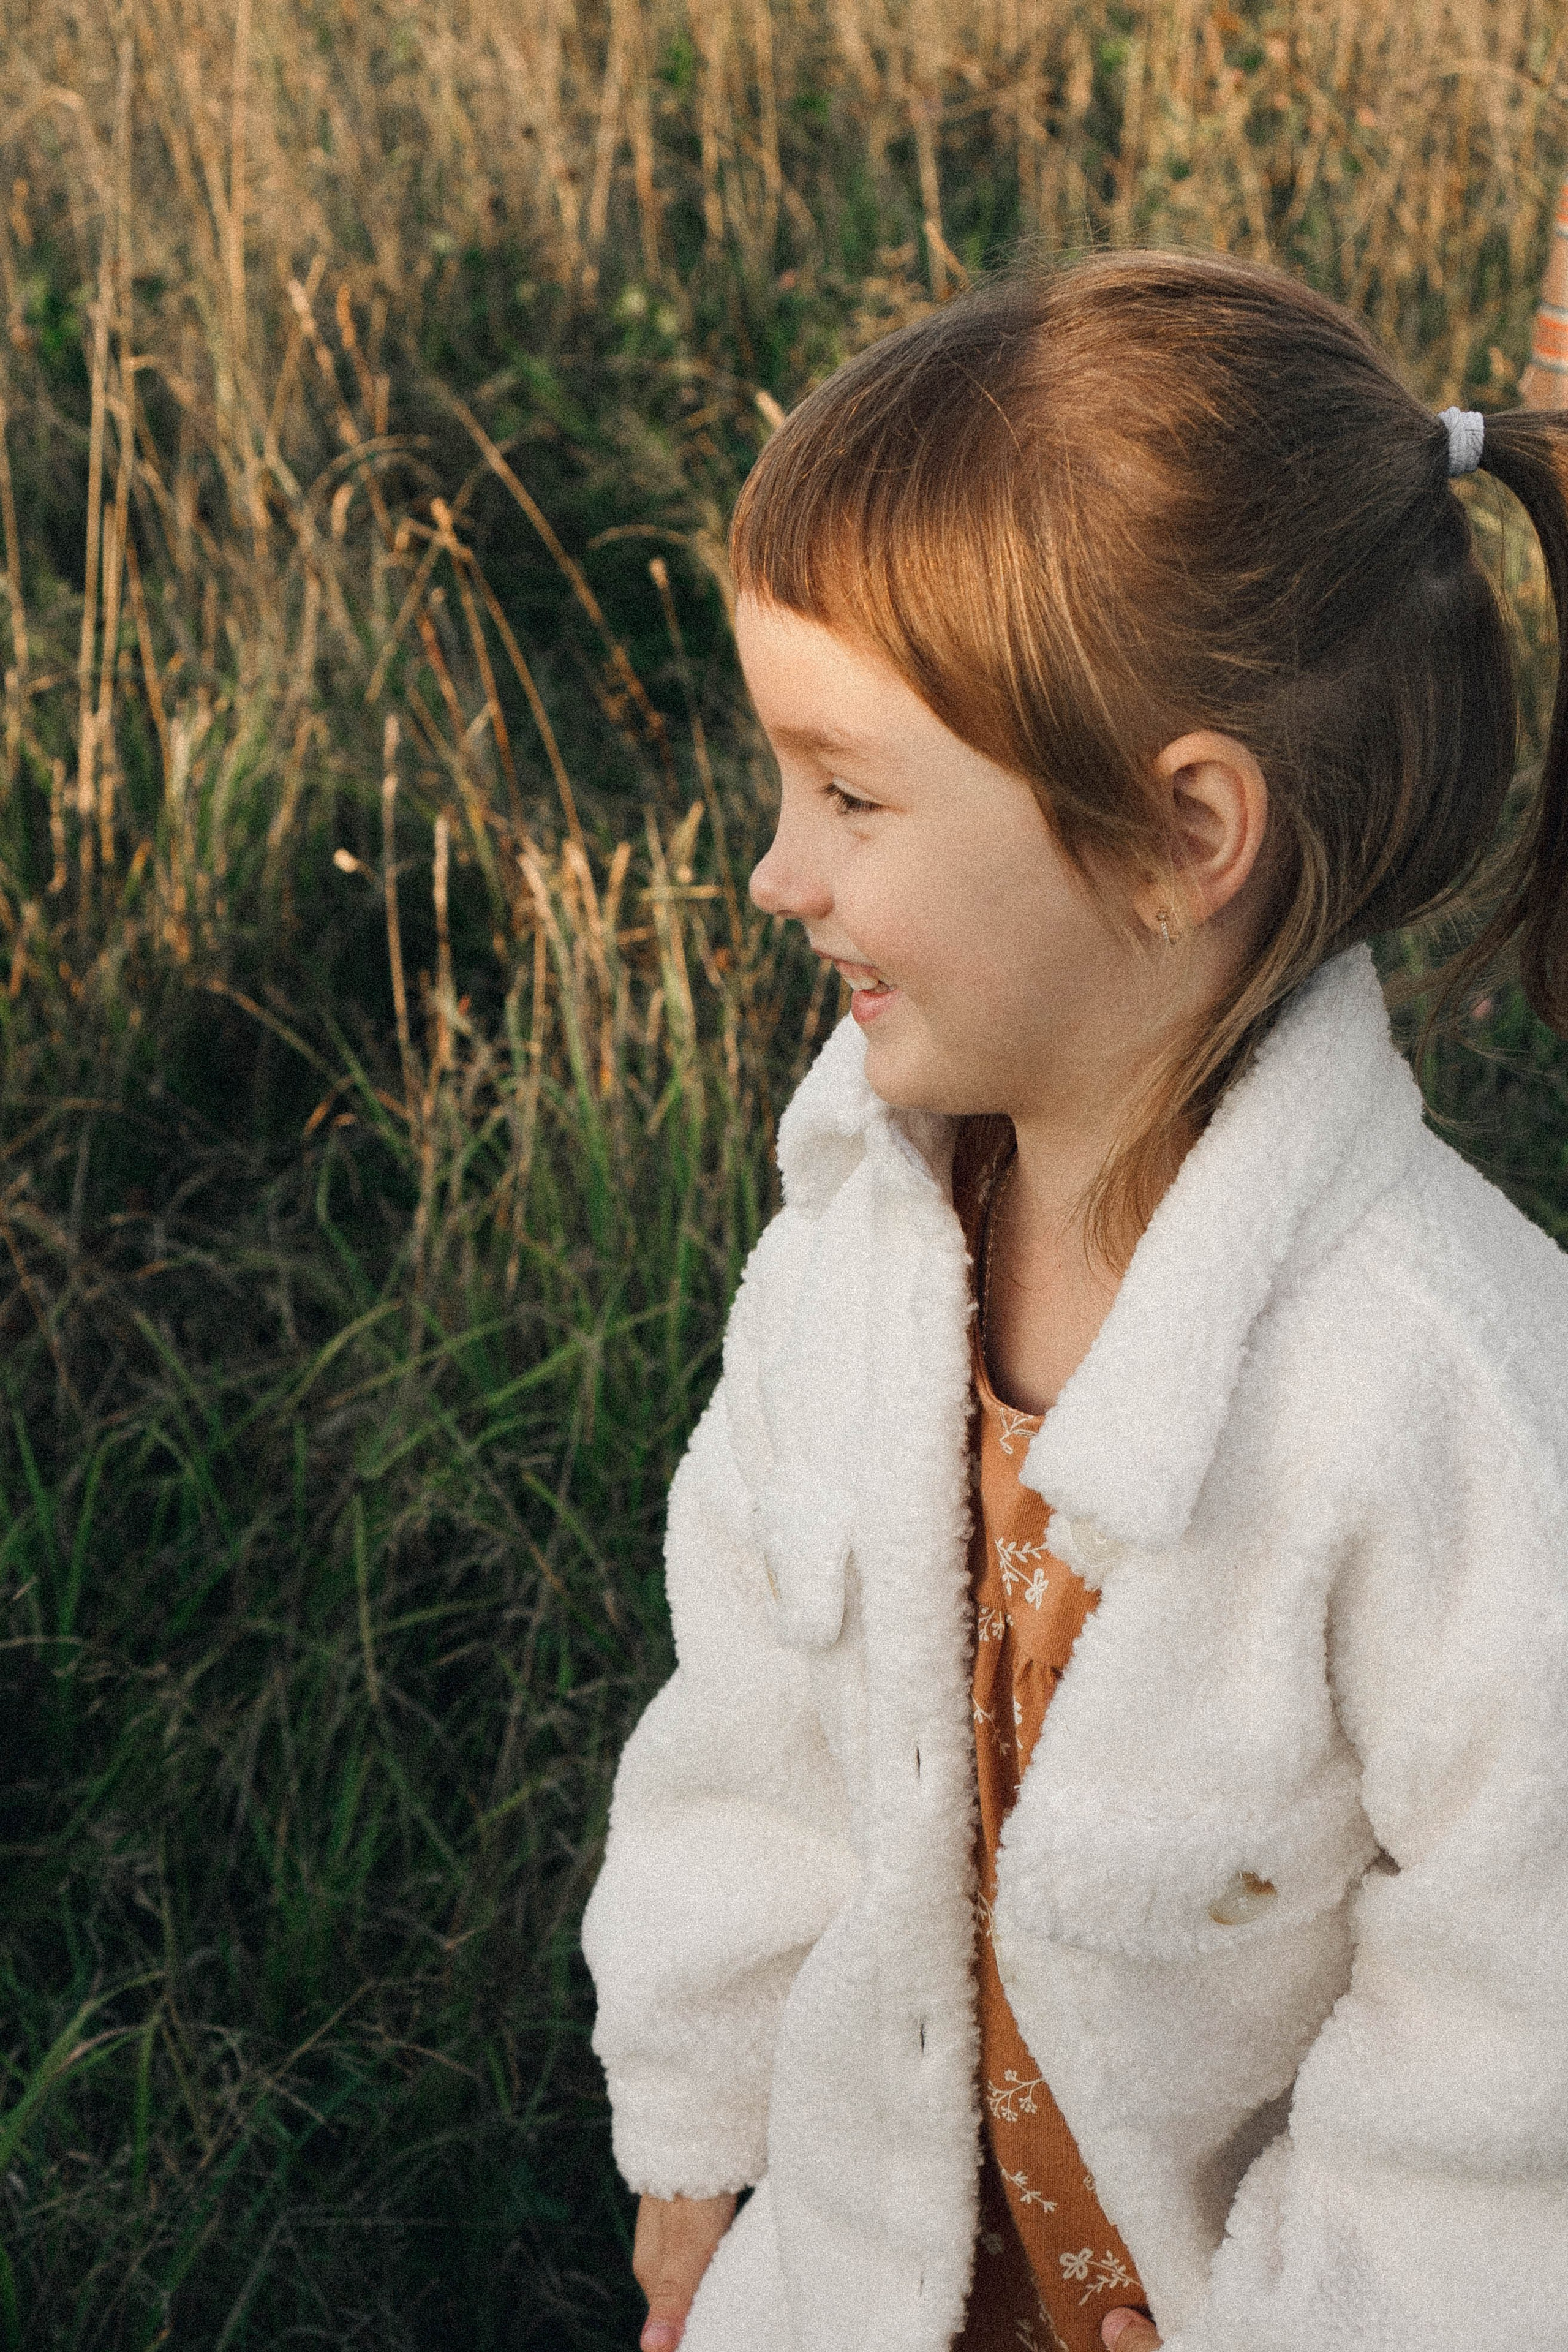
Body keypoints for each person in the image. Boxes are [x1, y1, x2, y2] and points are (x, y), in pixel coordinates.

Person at [580, 251, 1568, 2352]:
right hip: (864, 2265)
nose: (777, 872)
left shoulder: (1449, 1397)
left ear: (1180, 833)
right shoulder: (858, 1248)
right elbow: (751, 1710)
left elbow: (1518, 2025)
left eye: (850, 795)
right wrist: (701, 2124)